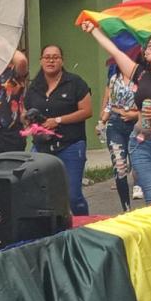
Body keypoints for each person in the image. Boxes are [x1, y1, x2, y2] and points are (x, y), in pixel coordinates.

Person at [81, 23, 151, 202]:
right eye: (149, 44)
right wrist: (94, 30)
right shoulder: (141, 74)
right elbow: (116, 52)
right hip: (142, 143)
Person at [23, 45, 93, 215]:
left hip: (71, 145)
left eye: (55, 57)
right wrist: (29, 121)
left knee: (73, 196)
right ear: (41, 61)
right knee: (38, 194)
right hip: (41, 147)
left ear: (62, 61)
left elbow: (87, 111)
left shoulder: (75, 83)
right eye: (47, 57)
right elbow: (25, 113)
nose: (51, 60)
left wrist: (58, 121)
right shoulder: (34, 87)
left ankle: (83, 227)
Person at [98, 61, 138, 211]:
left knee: (139, 166)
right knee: (120, 166)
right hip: (115, 124)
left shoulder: (143, 78)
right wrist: (102, 121)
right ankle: (126, 209)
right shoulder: (114, 78)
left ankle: (142, 192)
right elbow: (110, 103)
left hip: (138, 125)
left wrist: (135, 115)